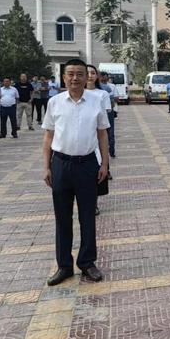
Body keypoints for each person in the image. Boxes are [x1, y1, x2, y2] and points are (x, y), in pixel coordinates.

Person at [42, 58, 109, 286]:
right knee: (62, 217)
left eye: (80, 74)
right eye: (70, 74)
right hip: (61, 164)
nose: (75, 78)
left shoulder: (96, 101)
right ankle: (64, 266)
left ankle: (87, 262)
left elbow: (102, 134)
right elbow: (48, 136)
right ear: (63, 77)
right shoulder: (55, 102)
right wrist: (46, 166)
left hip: (88, 165)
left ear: (87, 76)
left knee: (87, 216)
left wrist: (105, 165)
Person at [99, 72, 117, 158]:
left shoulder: (108, 87)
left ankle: (108, 151)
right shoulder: (107, 88)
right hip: (107, 113)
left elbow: (113, 101)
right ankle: (110, 151)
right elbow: (113, 102)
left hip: (106, 113)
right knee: (109, 132)